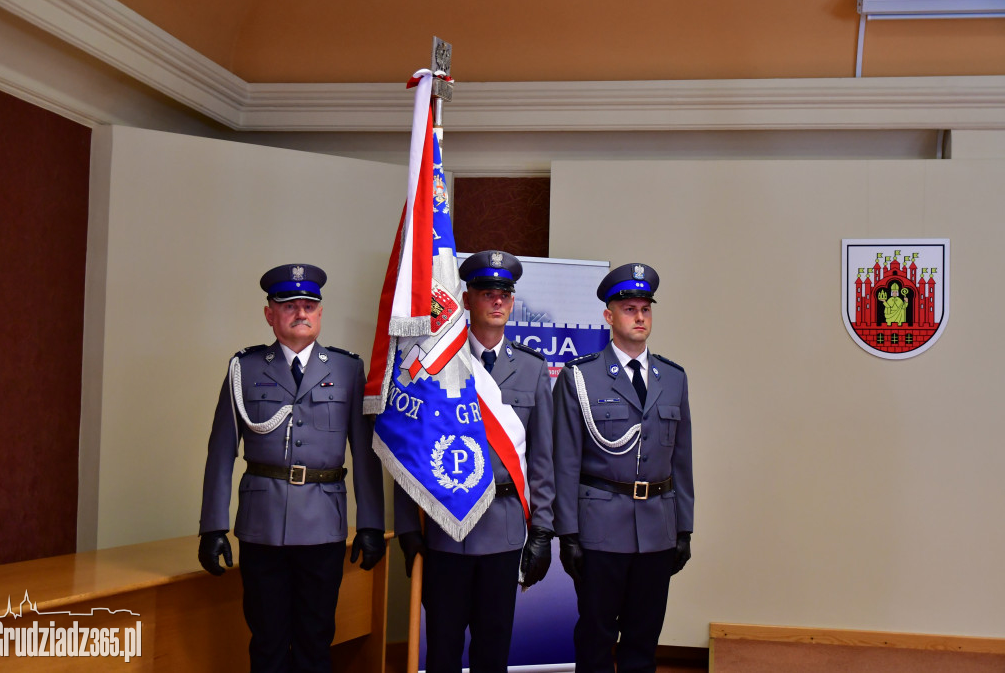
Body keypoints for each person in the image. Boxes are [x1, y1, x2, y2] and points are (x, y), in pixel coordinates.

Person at [197, 263, 386, 673]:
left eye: (309, 305)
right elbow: (221, 451)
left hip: (323, 525)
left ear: (320, 313)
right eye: (289, 305)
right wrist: (212, 527)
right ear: (270, 314)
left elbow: (365, 452)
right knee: (267, 641)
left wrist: (371, 524)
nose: (301, 312)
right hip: (263, 526)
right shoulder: (243, 369)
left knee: (316, 640)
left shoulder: (347, 369)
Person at [396, 250, 555, 673]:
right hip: (447, 529)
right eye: (487, 293)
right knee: (443, 648)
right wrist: (409, 530)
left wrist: (541, 529)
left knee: (493, 648)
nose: (498, 301)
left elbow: (542, 459)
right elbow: (407, 450)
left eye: (505, 293)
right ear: (467, 301)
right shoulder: (436, 365)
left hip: (503, 532)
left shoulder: (533, 369)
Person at [552, 262, 694, 673]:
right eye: (629, 309)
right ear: (608, 316)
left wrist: (684, 527)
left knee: (643, 638)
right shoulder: (581, 376)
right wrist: (569, 533)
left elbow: (682, 460)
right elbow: (565, 460)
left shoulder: (673, 377)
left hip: (657, 529)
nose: (639, 317)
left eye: (645, 309)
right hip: (599, 529)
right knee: (596, 637)